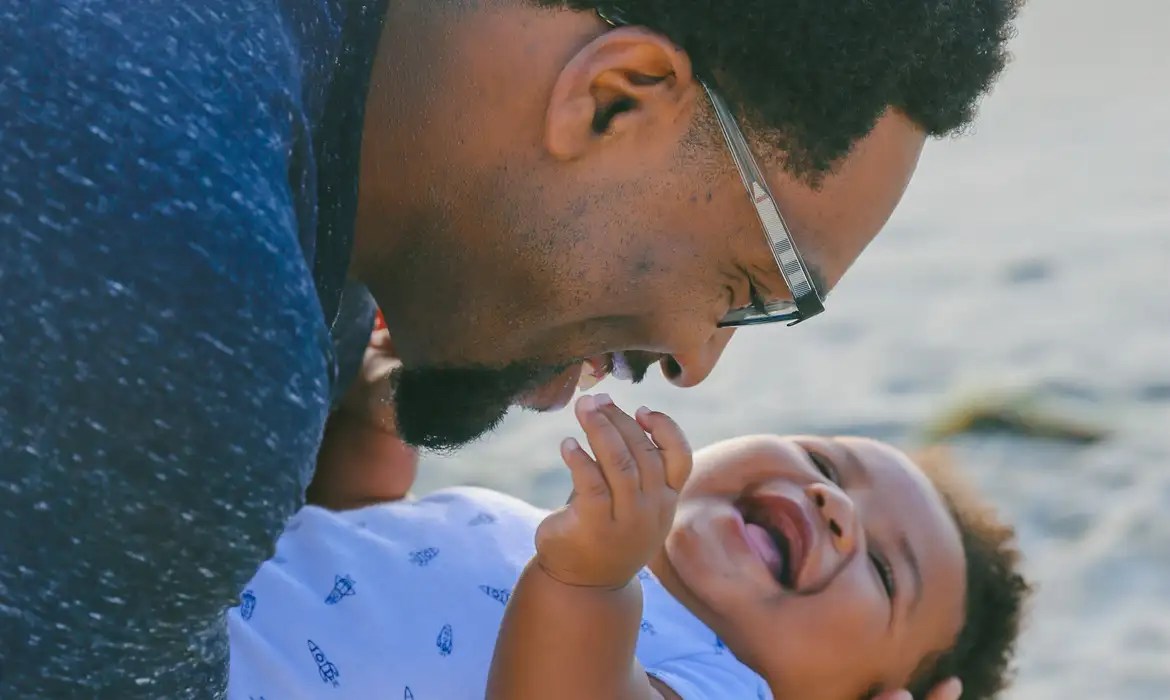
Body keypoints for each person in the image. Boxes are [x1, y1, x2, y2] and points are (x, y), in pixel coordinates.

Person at [0, 0, 1021, 696]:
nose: (697, 361)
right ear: (614, 97)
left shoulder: (295, 235)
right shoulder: (194, 307)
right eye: (745, 289)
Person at [230, 394, 1030, 700]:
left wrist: (589, 583)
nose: (830, 503)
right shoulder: (546, 535)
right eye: (823, 462)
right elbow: (357, 570)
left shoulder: (721, 683)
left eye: (887, 573)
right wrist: (380, 430)